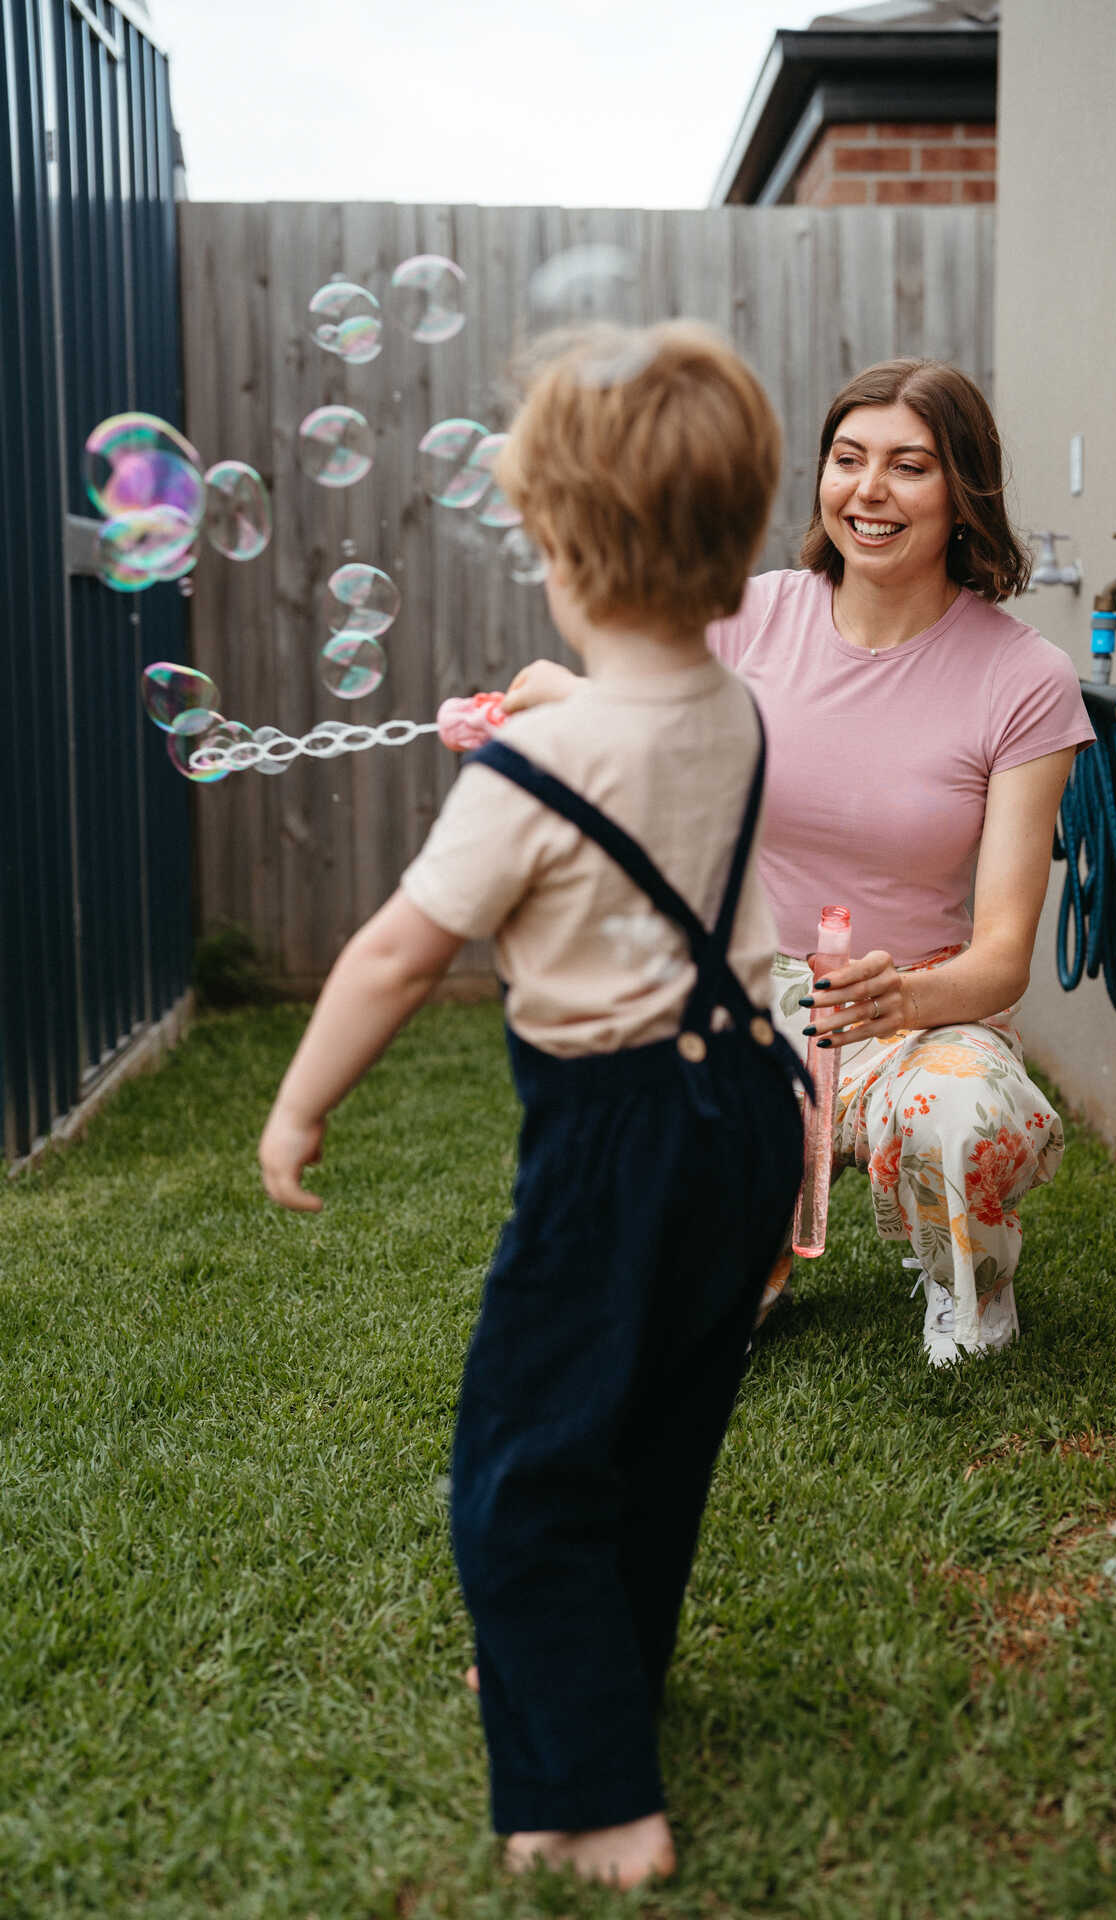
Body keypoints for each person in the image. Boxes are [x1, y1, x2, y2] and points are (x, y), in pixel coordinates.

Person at [258, 321, 806, 1887]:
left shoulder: (528, 775)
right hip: (749, 1118)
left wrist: (299, 1111)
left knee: (527, 1452)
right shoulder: (740, 712)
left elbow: (388, 954)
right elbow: (629, 728)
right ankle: (598, 1670)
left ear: (563, 548)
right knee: (659, 1423)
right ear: (736, 541)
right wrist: (547, 711)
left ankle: (598, 1805)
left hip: (617, 1142)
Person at [505, 358, 1095, 1366]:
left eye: (907, 466)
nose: (867, 490)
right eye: (846, 458)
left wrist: (901, 999)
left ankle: (966, 1287)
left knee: (958, 1111)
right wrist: (548, 691)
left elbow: (1000, 962)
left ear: (962, 493)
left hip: (905, 1006)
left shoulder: (1021, 680)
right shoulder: (749, 615)